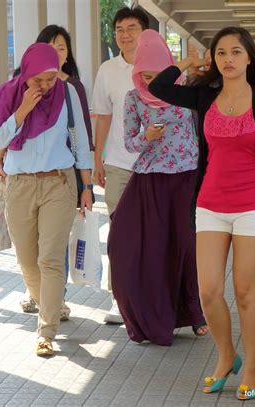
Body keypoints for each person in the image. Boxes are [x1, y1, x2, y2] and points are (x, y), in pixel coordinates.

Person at [149, 26, 255, 399]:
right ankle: (226, 355)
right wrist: (186, 61)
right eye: (220, 53)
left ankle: (252, 368)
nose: (227, 60)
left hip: (253, 209)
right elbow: (159, 89)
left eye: (235, 52)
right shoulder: (204, 96)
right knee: (209, 291)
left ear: (250, 57)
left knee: (245, 292)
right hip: (210, 206)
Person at [0, 43, 93, 356]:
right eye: (38, 80)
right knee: (27, 260)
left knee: (50, 258)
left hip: (59, 183)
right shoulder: (8, 94)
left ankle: (46, 331)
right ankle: (53, 303)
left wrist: (85, 186)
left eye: (50, 78)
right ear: (27, 73)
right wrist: (23, 110)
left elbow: (81, 140)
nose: (45, 85)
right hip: (19, 185)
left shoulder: (68, 94)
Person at [107, 29, 208, 346]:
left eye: (157, 74)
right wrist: (146, 137)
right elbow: (129, 143)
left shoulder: (186, 91)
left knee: (186, 247)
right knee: (134, 246)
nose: (151, 81)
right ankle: (147, 315)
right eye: (145, 75)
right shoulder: (133, 98)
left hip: (185, 178)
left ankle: (194, 313)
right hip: (149, 178)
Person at [92, 6, 149, 324]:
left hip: (157, 165)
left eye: (131, 28)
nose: (125, 35)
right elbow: (103, 116)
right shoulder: (108, 70)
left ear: (145, 32)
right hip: (117, 164)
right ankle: (119, 298)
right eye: (119, 29)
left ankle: (149, 295)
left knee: (152, 231)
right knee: (120, 232)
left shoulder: (162, 67)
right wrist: (97, 159)